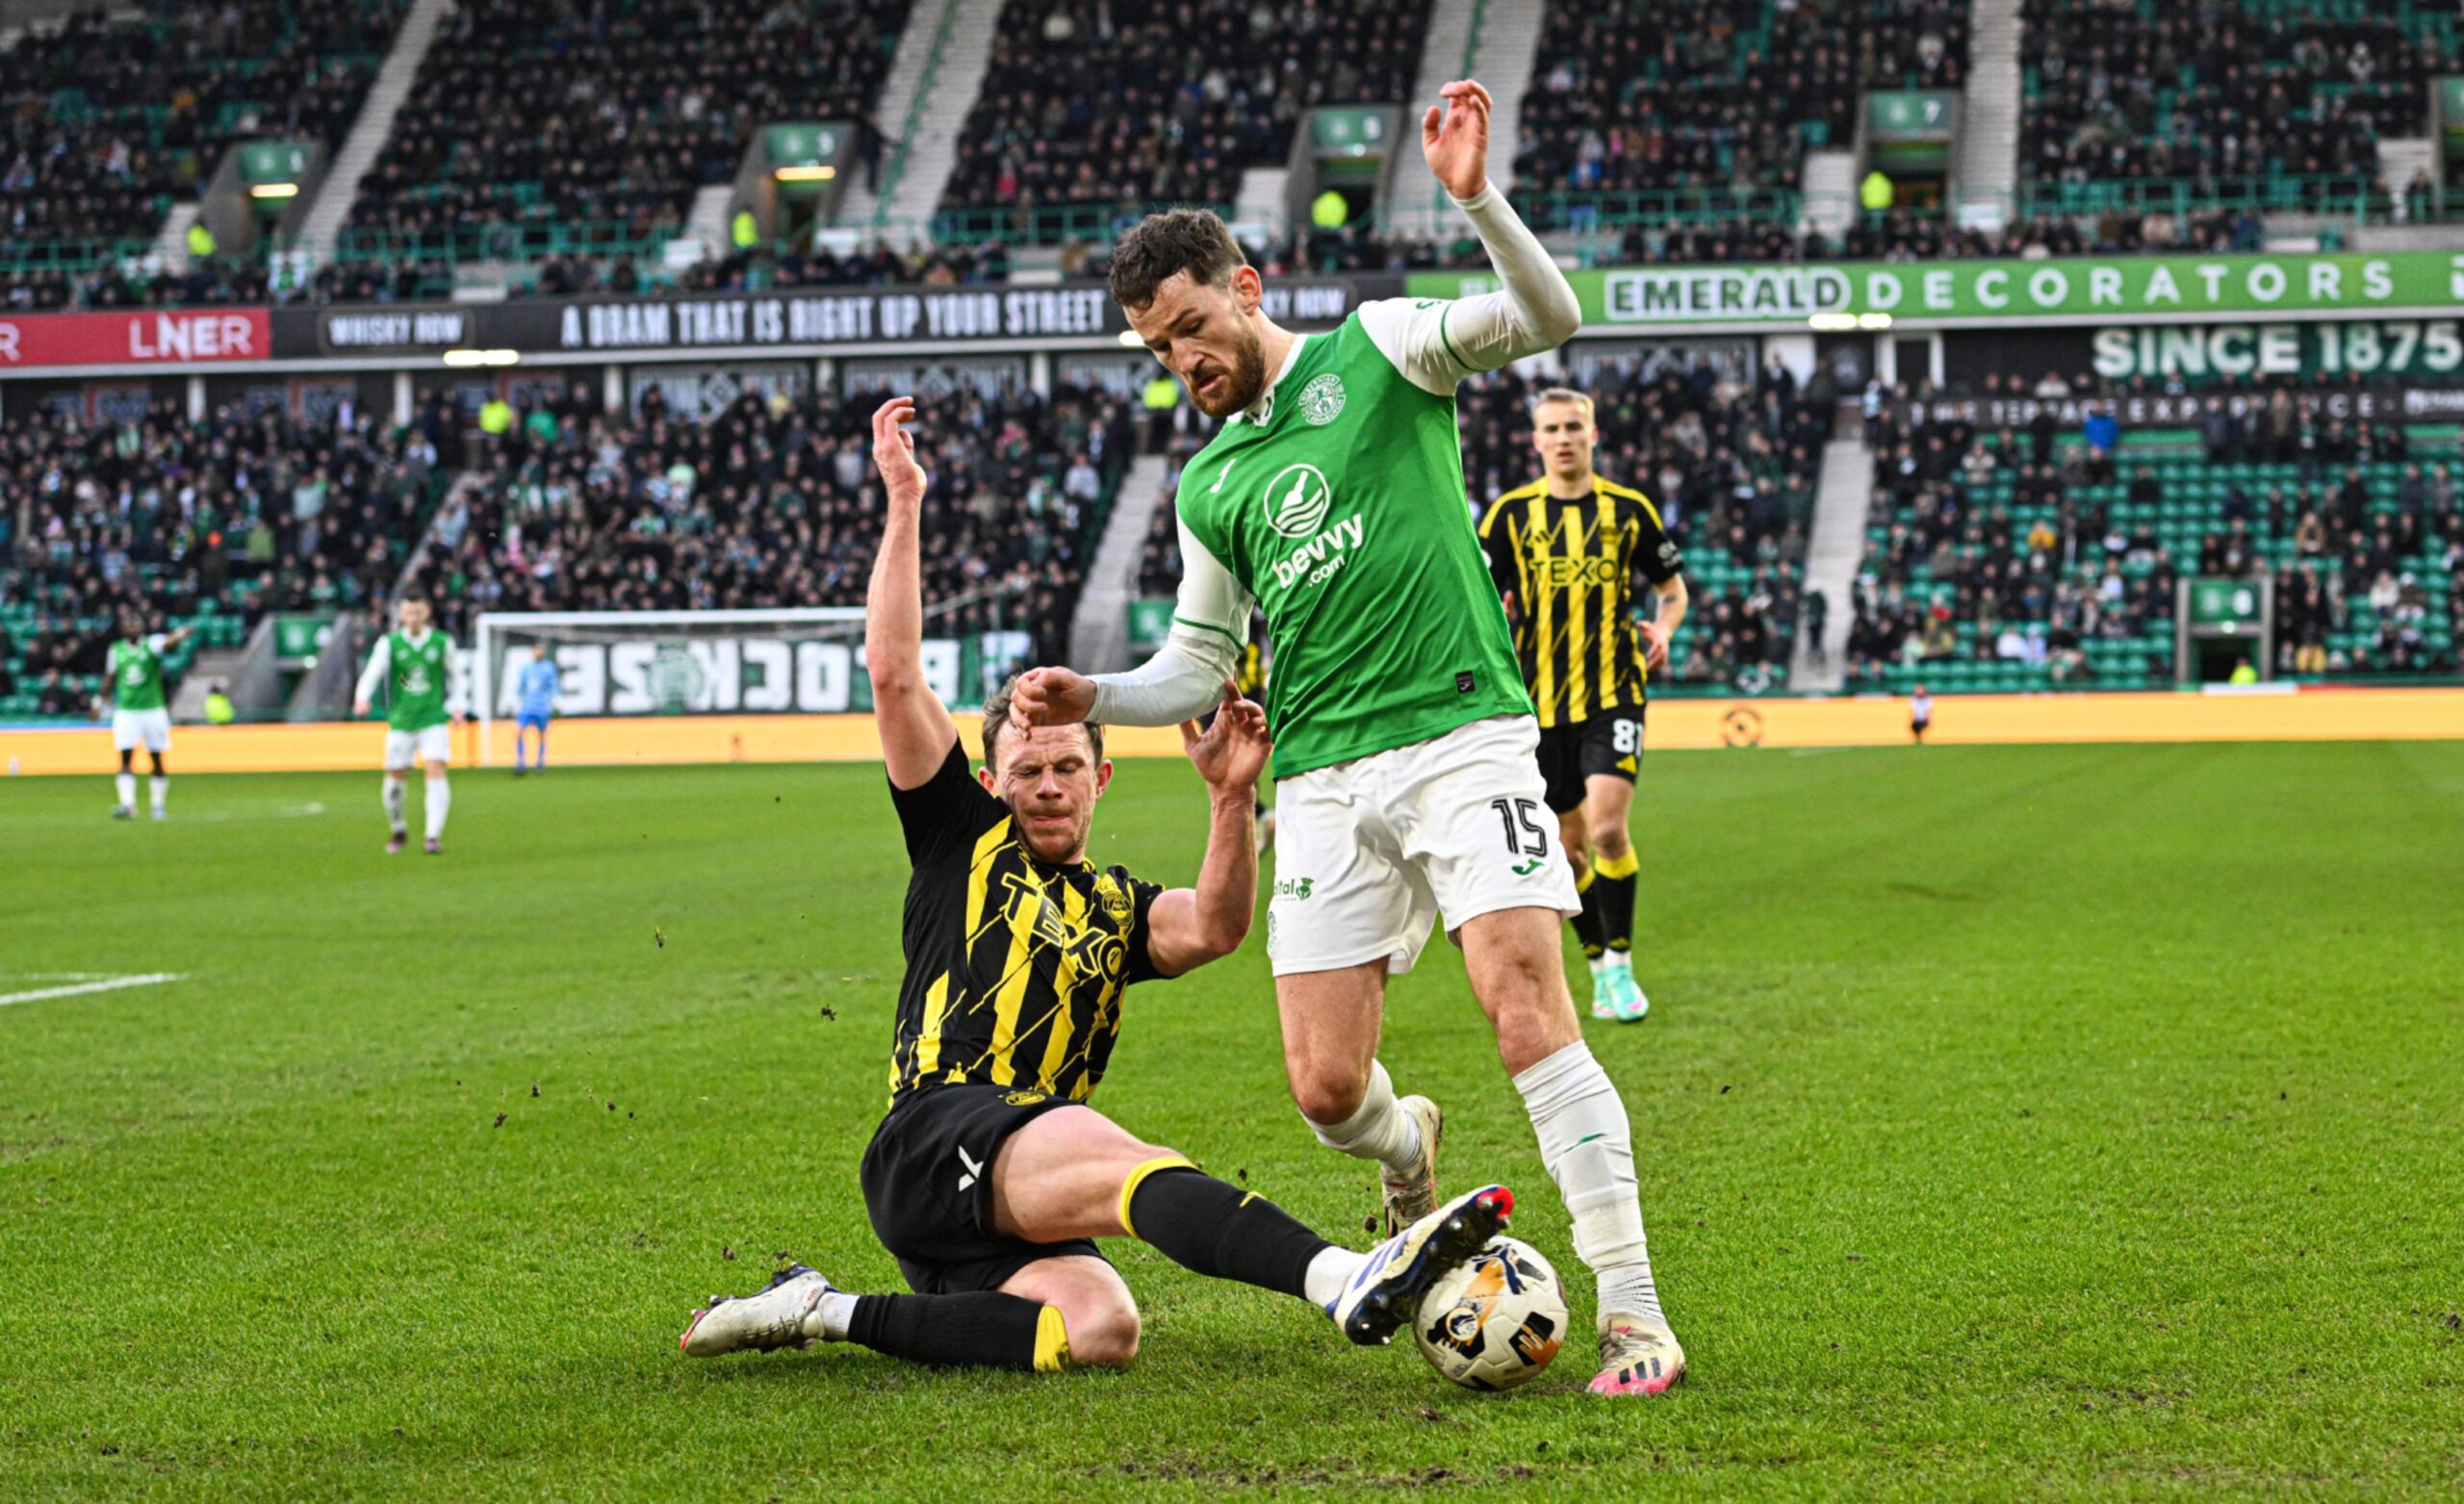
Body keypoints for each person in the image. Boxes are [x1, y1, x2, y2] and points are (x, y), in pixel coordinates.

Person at [1006, 81, 1681, 1397]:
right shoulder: (1210, 481)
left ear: (1246, 287)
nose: (1184, 362)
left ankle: (1636, 1313)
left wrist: (1477, 199)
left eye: (1195, 328)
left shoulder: (1381, 349)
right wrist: (1091, 692)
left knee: (1526, 1008)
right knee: (1325, 1087)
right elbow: (1199, 661)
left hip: (1462, 734)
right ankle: (1405, 1144)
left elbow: (1552, 316)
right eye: (1158, 348)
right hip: (1318, 778)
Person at [679, 396, 1518, 1373]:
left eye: (1064, 769)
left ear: (1099, 779)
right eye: (1025, 769)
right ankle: (1344, 1275)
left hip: (1007, 1183)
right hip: (940, 1129)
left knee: (1098, 1329)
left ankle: (819, 1310)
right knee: (1109, 1151)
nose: (1043, 785)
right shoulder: (960, 834)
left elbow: (1211, 928)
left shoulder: (1116, 908)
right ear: (992, 778)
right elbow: (895, 675)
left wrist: (1227, 803)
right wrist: (903, 502)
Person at [1477, 387, 1688, 1024]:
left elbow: (1671, 591)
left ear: (1593, 435)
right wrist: (1497, 611)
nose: (1564, 437)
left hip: (1613, 693)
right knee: (1567, 854)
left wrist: (1665, 630)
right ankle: (1600, 966)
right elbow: (1479, 594)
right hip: (1536, 707)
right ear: (1535, 440)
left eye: (1574, 426)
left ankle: (1620, 963)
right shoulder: (1509, 517)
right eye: (1552, 428)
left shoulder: (1630, 511)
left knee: (1605, 828)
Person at [352, 598, 461, 854]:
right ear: (401, 613)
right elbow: (372, 672)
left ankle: (432, 835)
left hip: (433, 719)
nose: (413, 617)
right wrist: (362, 698)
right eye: (408, 612)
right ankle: (398, 827)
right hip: (401, 721)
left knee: (435, 769)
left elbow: (457, 676)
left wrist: (458, 705)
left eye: (418, 612)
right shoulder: (390, 643)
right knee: (394, 781)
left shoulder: (442, 642)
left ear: (427, 612)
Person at [97, 615, 191, 821]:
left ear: (142, 627)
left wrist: (179, 635)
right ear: (123, 628)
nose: (133, 627)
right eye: (129, 624)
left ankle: (157, 804)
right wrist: (98, 702)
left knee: (156, 758)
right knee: (125, 757)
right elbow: (110, 678)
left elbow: (167, 644)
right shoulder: (116, 650)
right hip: (127, 711)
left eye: (137, 624)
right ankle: (127, 805)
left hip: (153, 710)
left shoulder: (151, 644)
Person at [513, 644, 559, 776]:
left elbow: (554, 685)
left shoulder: (548, 668)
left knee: (542, 734)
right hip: (527, 706)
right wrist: (515, 700)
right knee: (519, 732)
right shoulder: (526, 668)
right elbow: (520, 686)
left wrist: (556, 700)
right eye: (535, 651)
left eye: (539, 651)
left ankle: (540, 761)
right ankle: (520, 762)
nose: (537, 653)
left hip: (542, 707)